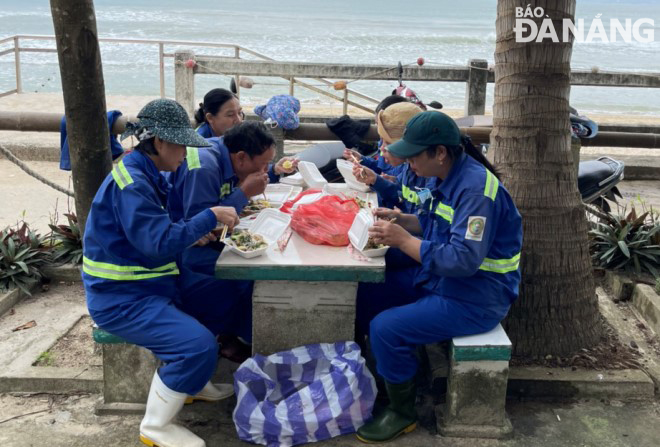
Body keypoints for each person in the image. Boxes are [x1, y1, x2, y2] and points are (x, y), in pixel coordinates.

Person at [355, 111, 523, 443]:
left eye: (414, 155)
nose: (407, 162)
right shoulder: (447, 176)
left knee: (385, 327)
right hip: (443, 281)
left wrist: (403, 240)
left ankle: (402, 411)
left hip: (476, 297)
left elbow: (463, 259)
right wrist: (403, 220)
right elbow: (436, 225)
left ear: (440, 153)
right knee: (368, 293)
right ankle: (385, 376)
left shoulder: (476, 191)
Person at [82, 99, 241, 447]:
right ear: (160, 142)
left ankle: (192, 383)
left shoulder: (149, 173)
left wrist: (191, 231)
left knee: (223, 294)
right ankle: (155, 425)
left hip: (152, 283)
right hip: (122, 297)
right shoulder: (134, 183)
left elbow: (158, 231)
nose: (186, 153)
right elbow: (157, 242)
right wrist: (209, 216)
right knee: (197, 346)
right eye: (182, 145)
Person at [168, 120, 298, 276]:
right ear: (241, 157)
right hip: (185, 247)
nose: (265, 170)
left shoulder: (229, 149)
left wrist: (273, 171)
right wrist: (243, 193)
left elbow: (247, 170)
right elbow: (202, 226)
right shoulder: (204, 169)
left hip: (204, 236)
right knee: (255, 272)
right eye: (265, 164)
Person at [347, 101, 427, 213]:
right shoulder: (409, 168)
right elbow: (403, 199)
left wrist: (377, 181)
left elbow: (423, 215)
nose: (382, 148)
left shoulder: (428, 174)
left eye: (388, 143)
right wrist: (376, 179)